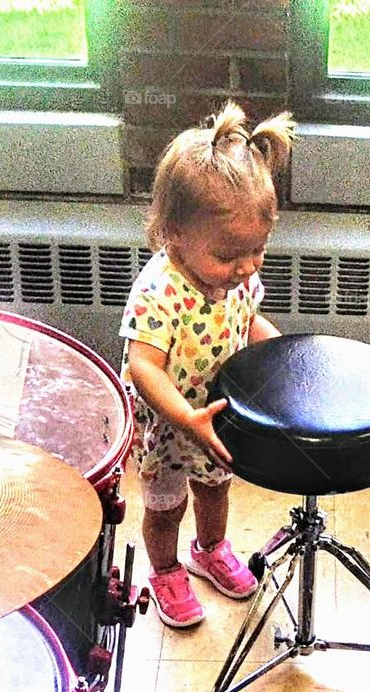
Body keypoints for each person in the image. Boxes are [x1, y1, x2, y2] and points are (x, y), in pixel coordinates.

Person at [119, 100, 296, 627]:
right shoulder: (160, 292)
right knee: (165, 505)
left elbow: (248, 321)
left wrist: (280, 354)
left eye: (257, 250)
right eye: (228, 256)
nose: (245, 267)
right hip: (171, 426)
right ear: (174, 233)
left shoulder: (236, 277)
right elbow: (143, 365)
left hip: (215, 416)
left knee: (216, 488)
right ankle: (166, 568)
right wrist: (184, 418)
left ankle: (210, 548)